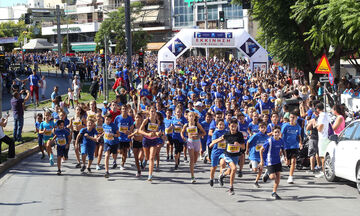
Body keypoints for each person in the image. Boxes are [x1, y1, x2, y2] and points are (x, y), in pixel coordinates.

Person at [213, 119, 245, 195]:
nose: (233, 128)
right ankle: (231, 188)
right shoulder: (226, 135)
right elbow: (218, 140)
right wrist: (212, 144)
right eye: (232, 126)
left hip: (235, 156)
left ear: (237, 126)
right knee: (234, 168)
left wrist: (239, 145)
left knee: (230, 171)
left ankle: (222, 175)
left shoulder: (240, 135)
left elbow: (243, 147)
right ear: (229, 126)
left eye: (235, 126)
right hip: (227, 155)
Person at [260, 125, 285, 200]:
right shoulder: (269, 141)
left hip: (277, 160)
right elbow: (261, 149)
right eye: (275, 132)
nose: (277, 133)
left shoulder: (281, 140)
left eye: (278, 132)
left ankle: (274, 192)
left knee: (278, 176)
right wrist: (262, 160)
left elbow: (283, 149)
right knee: (272, 177)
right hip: (270, 160)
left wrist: (285, 157)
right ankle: (267, 173)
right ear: (273, 133)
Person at [181, 111, 206, 183]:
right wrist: (183, 137)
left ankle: (192, 164)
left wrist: (199, 135)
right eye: (190, 116)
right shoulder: (186, 125)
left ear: (194, 117)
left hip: (197, 142)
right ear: (187, 118)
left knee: (195, 159)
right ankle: (192, 176)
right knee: (192, 159)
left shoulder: (197, 124)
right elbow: (182, 132)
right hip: (190, 142)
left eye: (192, 116)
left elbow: (204, 132)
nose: (191, 117)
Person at [139, 106, 161, 181]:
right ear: (149, 112)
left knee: (151, 158)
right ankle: (145, 160)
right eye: (151, 111)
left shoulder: (157, 121)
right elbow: (139, 130)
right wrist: (147, 134)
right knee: (147, 157)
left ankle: (150, 175)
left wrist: (158, 133)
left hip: (154, 140)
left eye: (154, 111)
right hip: (146, 140)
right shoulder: (146, 121)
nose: (153, 113)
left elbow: (157, 131)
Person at [281, 111, 302, 184]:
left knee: (293, 162)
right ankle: (285, 159)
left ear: (296, 118)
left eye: (293, 118)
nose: (292, 119)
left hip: (294, 146)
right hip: (286, 146)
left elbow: (299, 136)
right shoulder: (285, 126)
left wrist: (300, 143)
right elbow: (281, 135)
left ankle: (290, 177)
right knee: (288, 163)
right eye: (291, 117)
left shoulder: (298, 127)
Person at [246, 122, 269, 188]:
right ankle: (251, 163)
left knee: (261, 169)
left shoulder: (267, 137)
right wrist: (247, 150)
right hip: (254, 155)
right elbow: (248, 142)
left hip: (261, 155)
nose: (263, 129)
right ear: (259, 128)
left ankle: (256, 181)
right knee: (255, 169)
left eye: (264, 128)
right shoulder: (256, 135)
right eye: (261, 128)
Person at [114, 105, 134, 170]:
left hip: (126, 138)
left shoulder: (129, 118)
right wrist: (116, 133)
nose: (124, 110)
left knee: (125, 153)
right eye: (123, 109)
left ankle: (122, 164)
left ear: (127, 110)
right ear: (121, 110)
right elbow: (115, 126)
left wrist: (129, 131)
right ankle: (116, 159)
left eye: (125, 109)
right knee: (120, 151)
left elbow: (132, 126)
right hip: (119, 138)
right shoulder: (117, 118)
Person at [208, 119, 226, 187]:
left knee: (223, 163)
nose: (221, 126)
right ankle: (211, 178)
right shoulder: (216, 133)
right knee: (214, 167)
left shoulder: (226, 132)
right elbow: (213, 141)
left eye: (223, 125)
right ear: (217, 125)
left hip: (223, 152)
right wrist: (221, 139)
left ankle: (221, 177)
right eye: (220, 125)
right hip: (216, 152)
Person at [102, 113, 120, 178]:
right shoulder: (103, 125)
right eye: (106, 119)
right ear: (105, 119)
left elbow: (118, 134)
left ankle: (114, 161)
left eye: (109, 120)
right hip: (107, 142)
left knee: (114, 154)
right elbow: (104, 132)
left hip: (114, 142)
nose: (107, 121)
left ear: (111, 120)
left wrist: (114, 135)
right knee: (107, 155)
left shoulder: (114, 125)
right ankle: (107, 171)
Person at [315, 103, 331, 178]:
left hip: (323, 138)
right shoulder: (326, 115)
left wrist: (316, 125)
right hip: (326, 137)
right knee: (325, 155)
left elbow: (320, 128)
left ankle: (324, 172)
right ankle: (325, 171)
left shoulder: (321, 116)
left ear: (317, 109)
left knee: (323, 156)